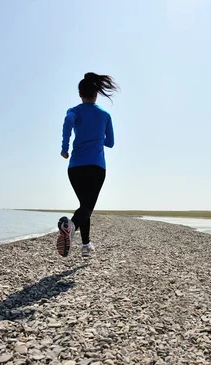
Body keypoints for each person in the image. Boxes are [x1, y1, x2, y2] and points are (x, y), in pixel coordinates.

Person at [57, 72, 119, 257]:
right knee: (87, 207)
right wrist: (97, 138)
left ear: (79, 94)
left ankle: (86, 246)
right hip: (96, 167)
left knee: (85, 205)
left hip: (75, 167)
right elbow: (111, 143)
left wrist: (64, 148)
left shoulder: (73, 111)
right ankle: (71, 227)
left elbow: (68, 122)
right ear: (96, 94)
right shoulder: (105, 115)